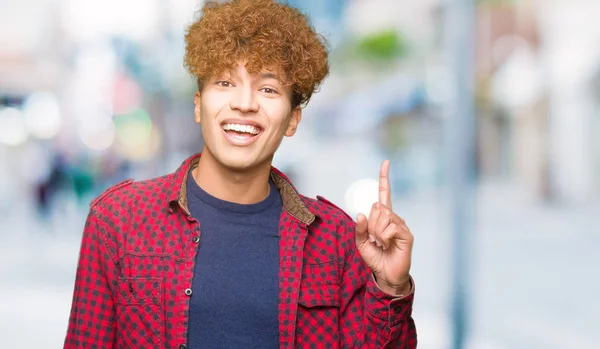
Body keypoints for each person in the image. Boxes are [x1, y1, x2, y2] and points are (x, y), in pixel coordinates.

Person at [63, 0, 417, 348]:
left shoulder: (336, 240)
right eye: (225, 83)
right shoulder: (118, 220)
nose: (245, 103)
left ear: (292, 119)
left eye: (268, 89)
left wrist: (391, 288)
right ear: (199, 105)